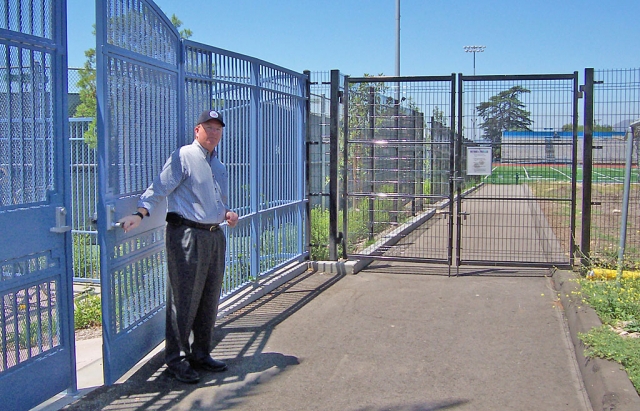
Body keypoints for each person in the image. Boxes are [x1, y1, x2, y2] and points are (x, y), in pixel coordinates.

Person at [118, 109, 239, 383]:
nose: (214, 133)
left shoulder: (218, 165)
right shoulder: (184, 156)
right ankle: (176, 359)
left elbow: (217, 202)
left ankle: (201, 354)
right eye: (208, 128)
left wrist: (228, 213)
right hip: (186, 235)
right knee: (183, 300)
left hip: (214, 236)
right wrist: (140, 213)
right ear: (197, 131)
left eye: (218, 128)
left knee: (209, 298)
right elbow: (159, 187)